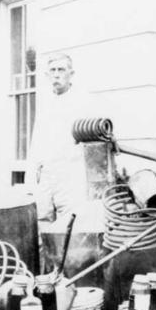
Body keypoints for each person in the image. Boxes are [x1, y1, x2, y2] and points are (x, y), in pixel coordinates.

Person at [25, 53, 99, 223]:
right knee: (42, 221)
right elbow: (36, 143)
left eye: (61, 69)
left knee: (68, 225)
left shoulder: (83, 102)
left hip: (71, 175)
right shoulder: (46, 103)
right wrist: (30, 181)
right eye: (52, 70)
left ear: (71, 74)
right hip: (46, 175)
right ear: (47, 75)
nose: (56, 74)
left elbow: (95, 140)